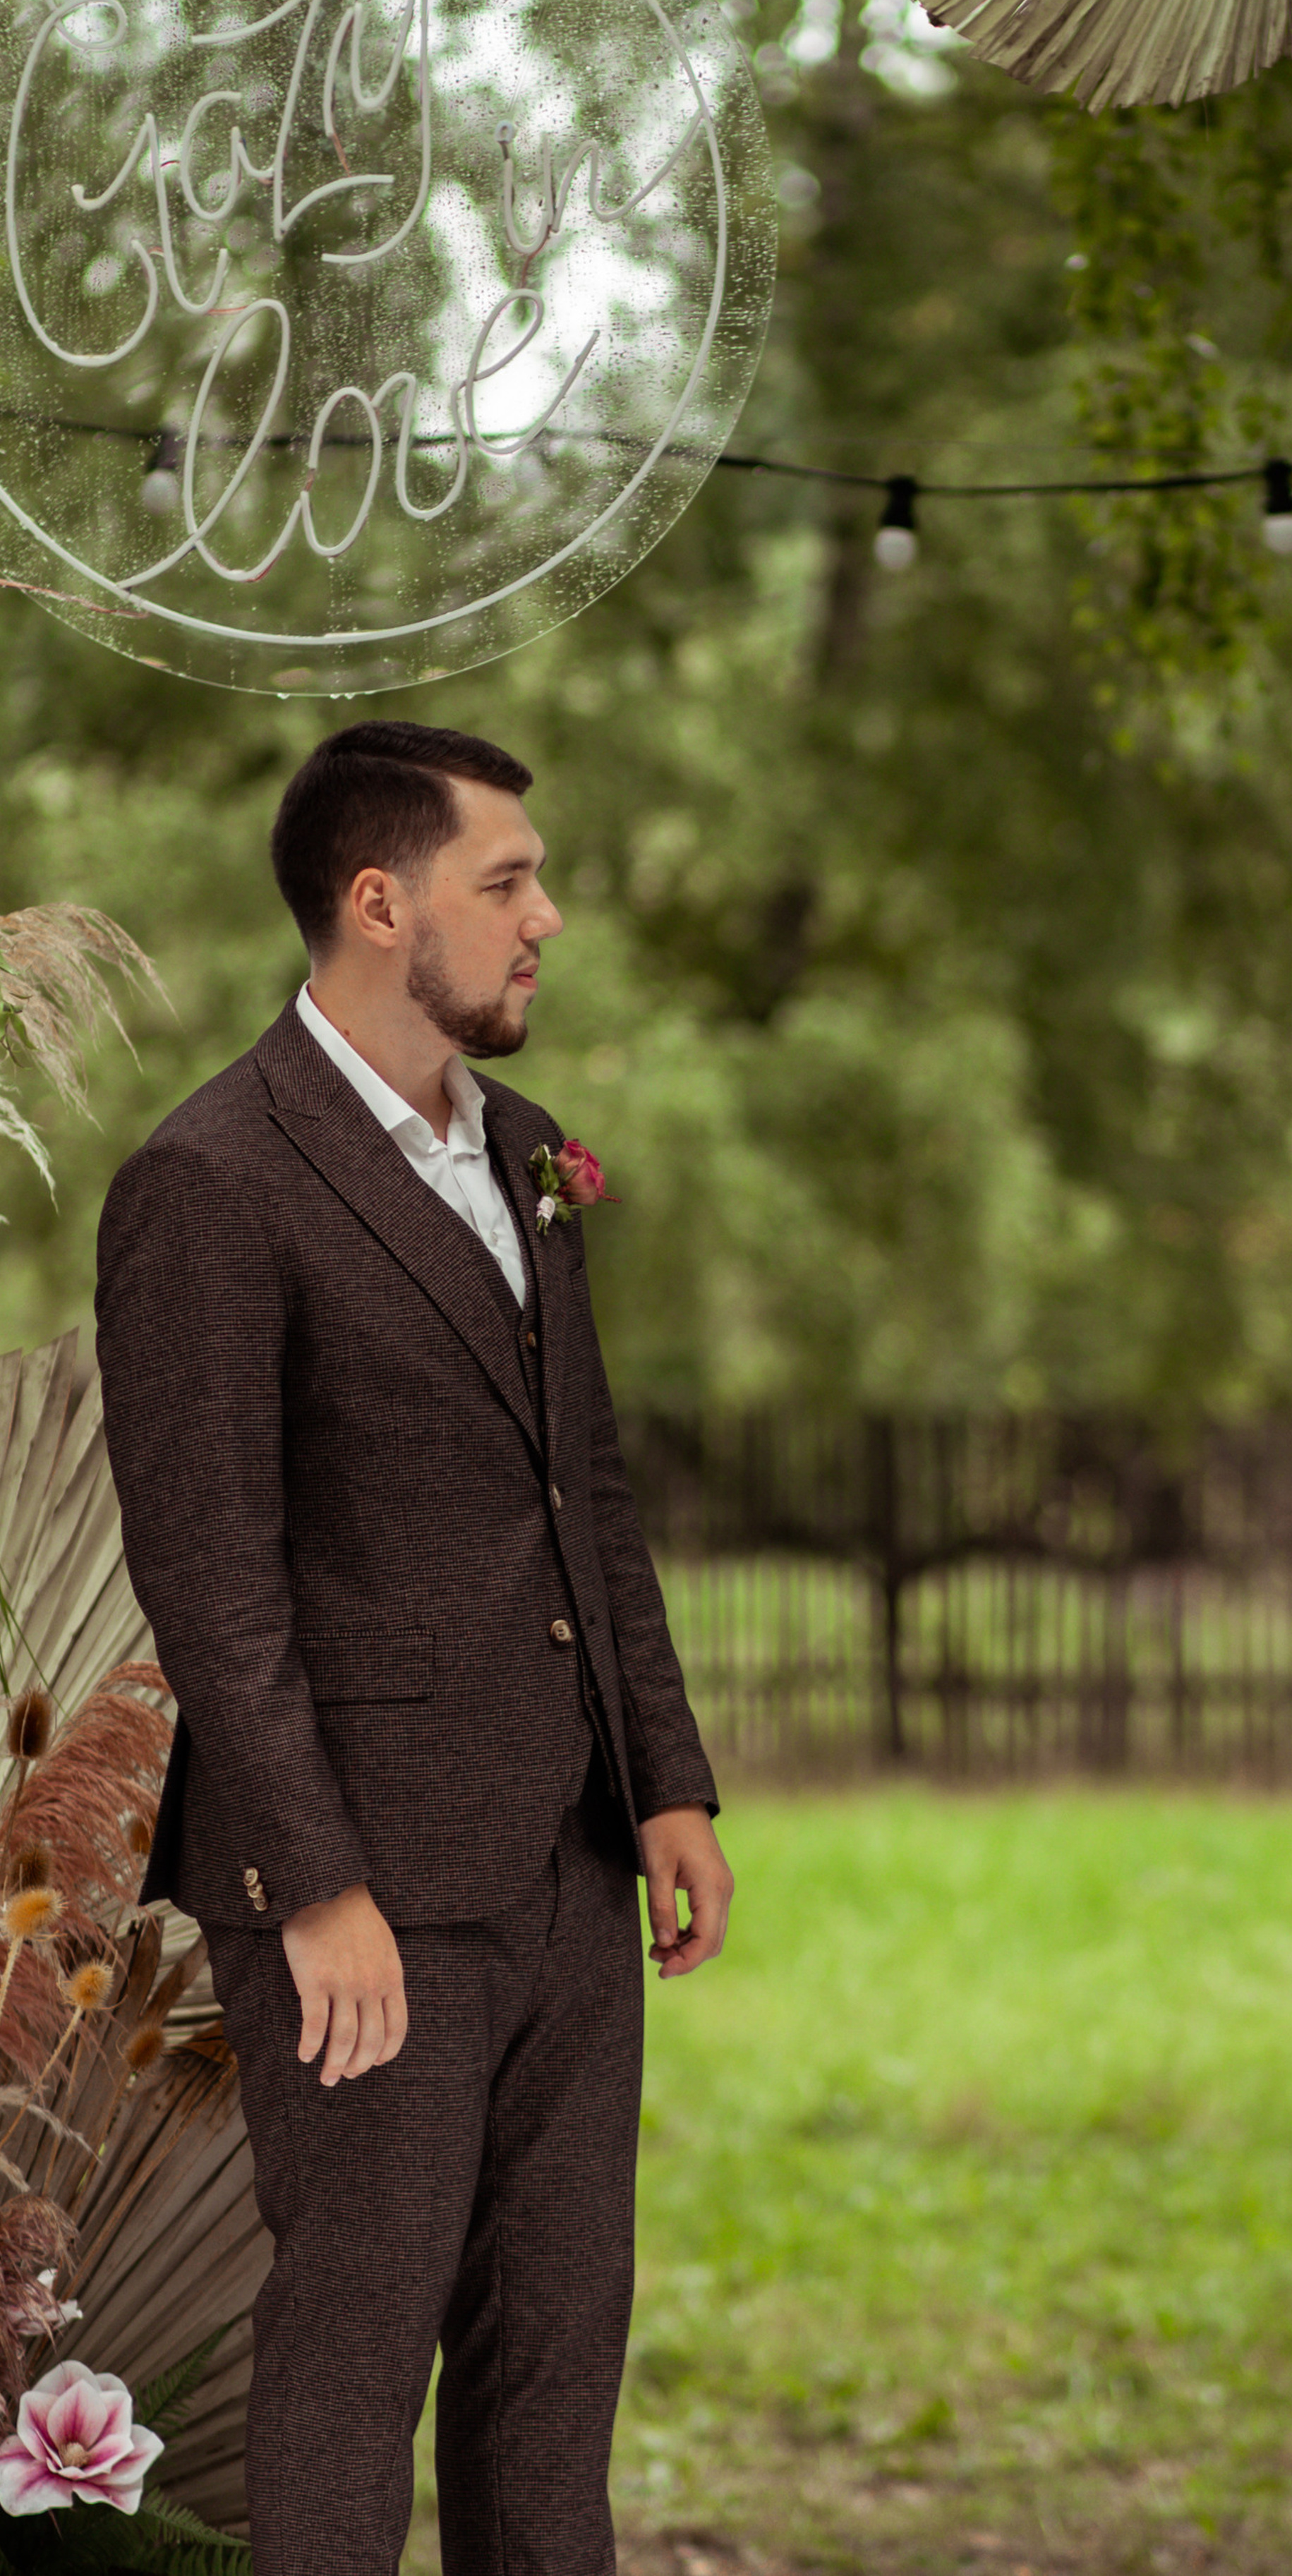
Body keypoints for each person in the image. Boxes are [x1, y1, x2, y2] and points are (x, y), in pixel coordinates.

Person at [95, 719, 733, 2576]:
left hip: (567, 1864)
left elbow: (583, 1498)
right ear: (381, 906)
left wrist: (669, 1782)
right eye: (508, 881)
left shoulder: (529, 1153)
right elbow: (210, 1568)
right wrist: (313, 1883)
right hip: (361, 1888)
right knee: (355, 2354)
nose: (552, 915)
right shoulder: (210, 1182)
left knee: (554, 2369)